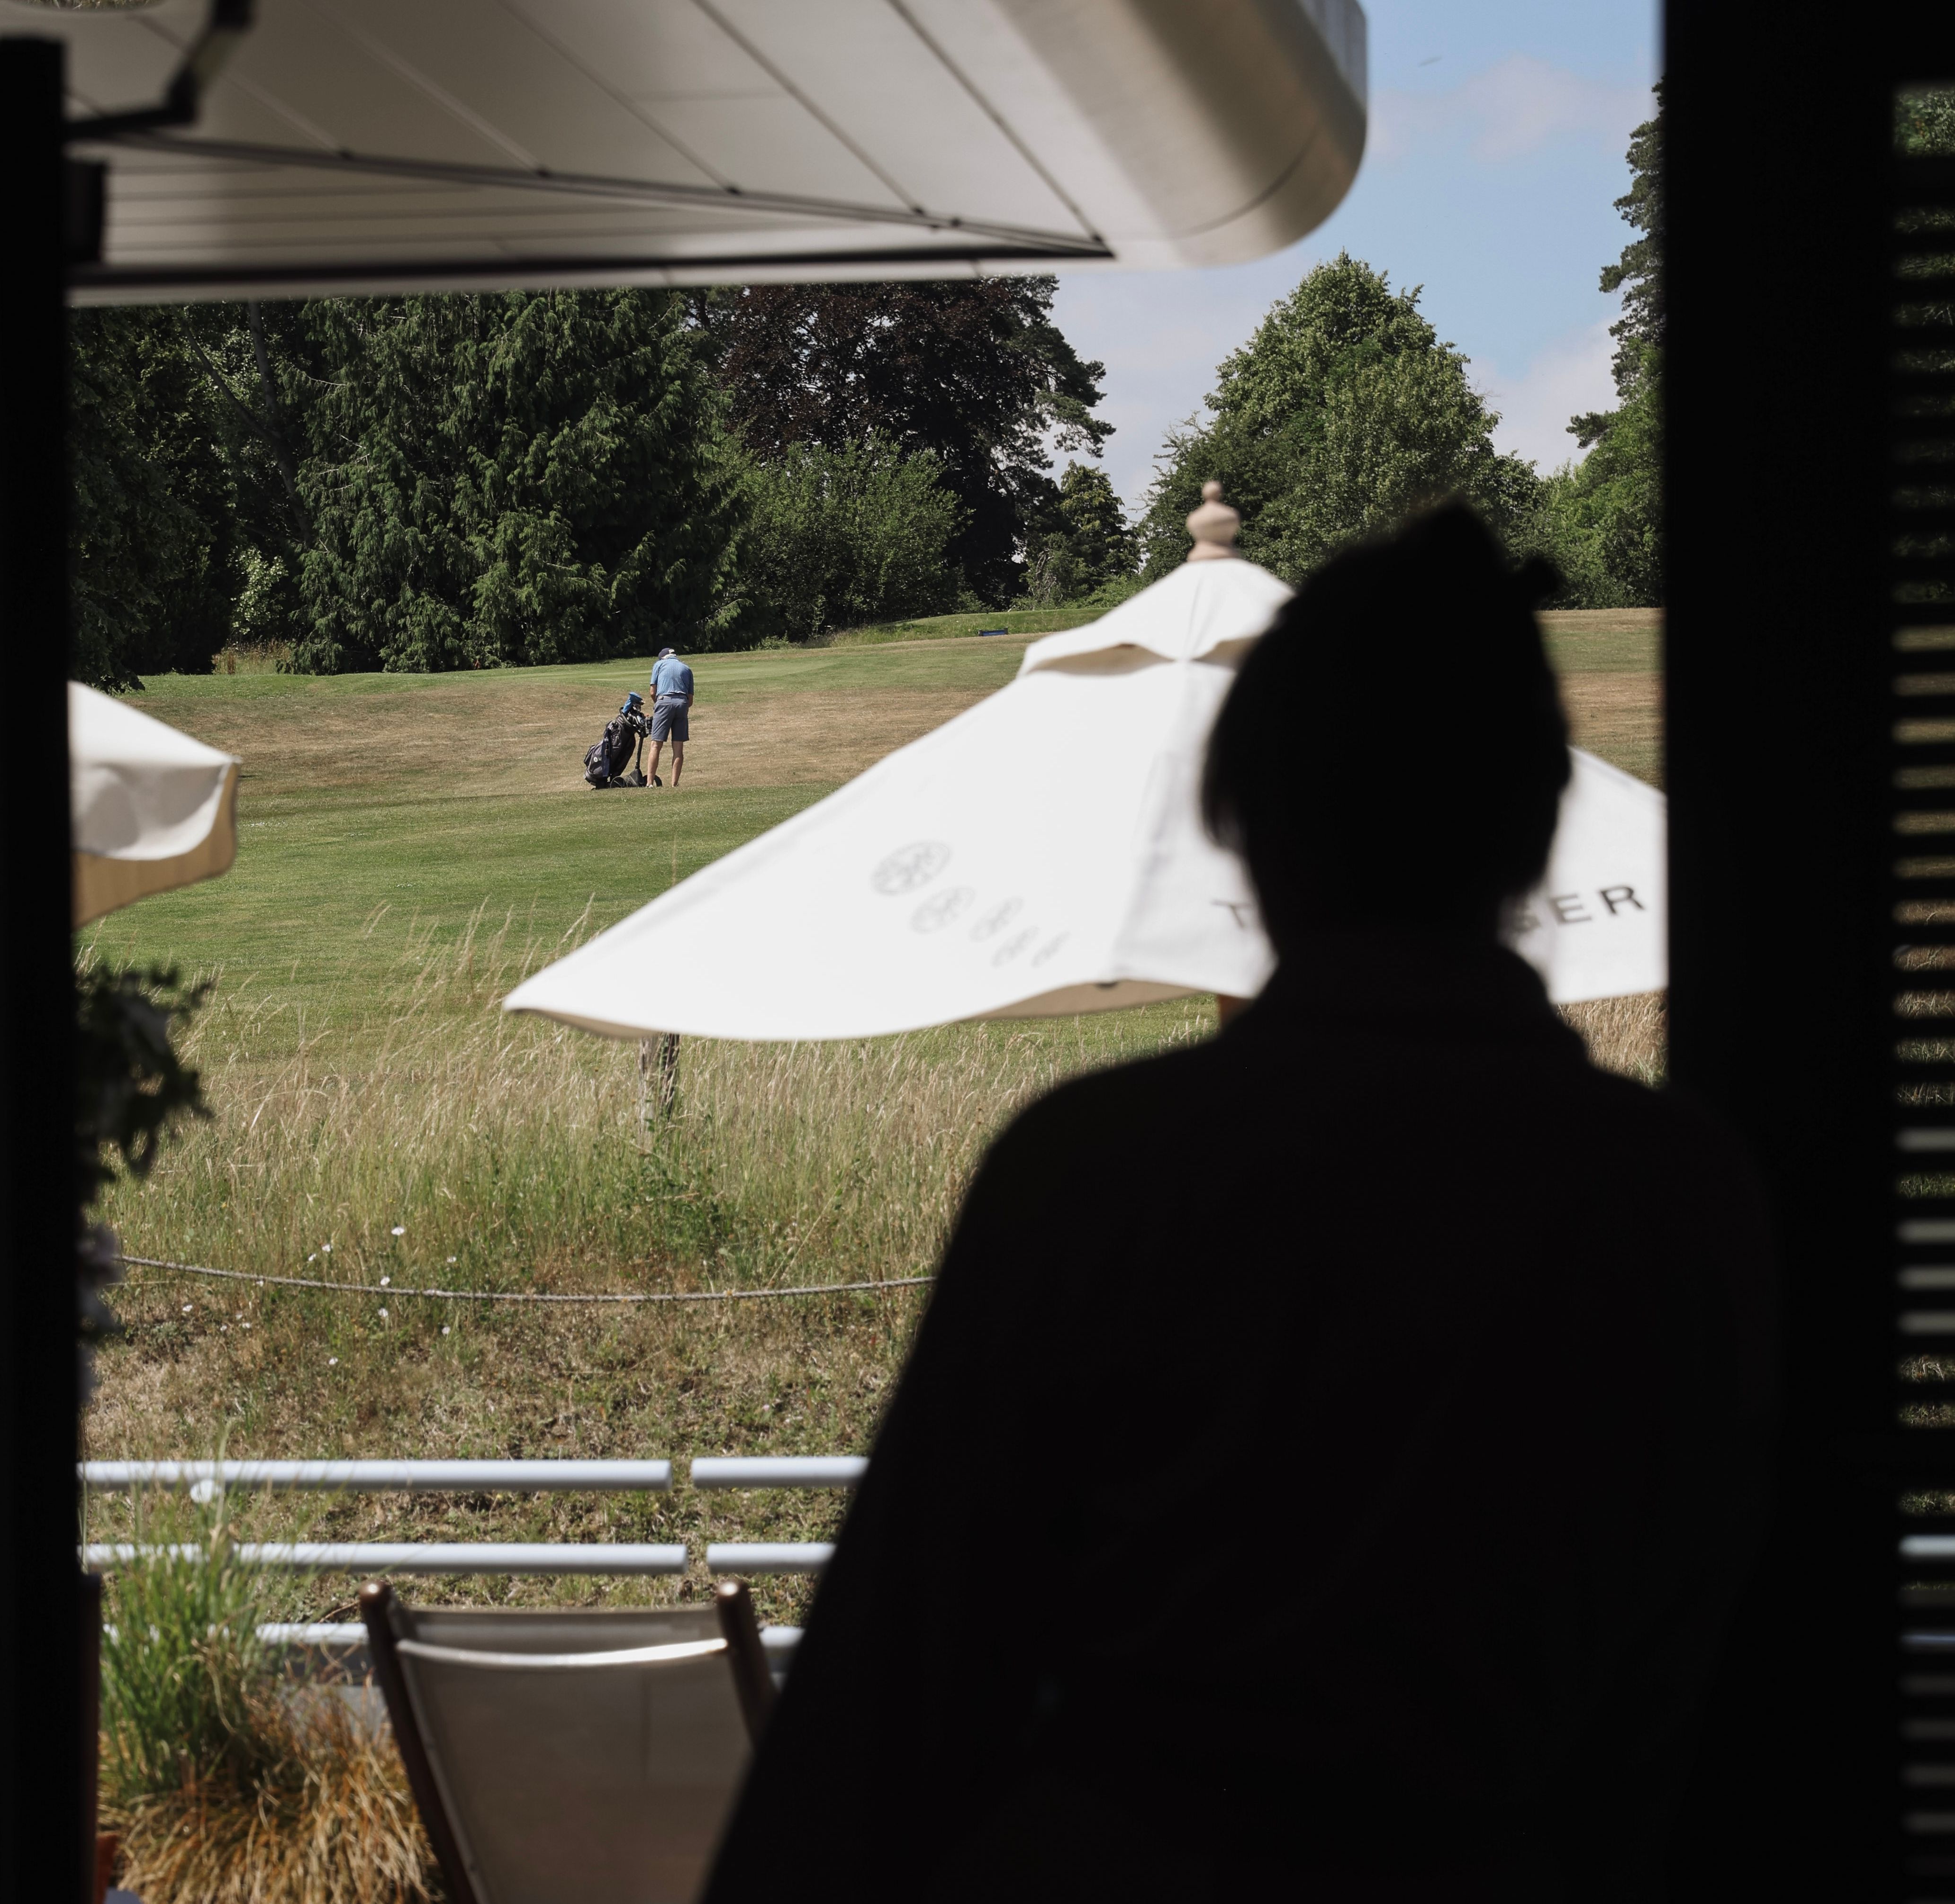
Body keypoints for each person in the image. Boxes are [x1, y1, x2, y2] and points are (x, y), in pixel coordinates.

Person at [700, 506, 1774, 1903]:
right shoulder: (1678, 1199)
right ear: (1532, 828)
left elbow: (887, 1690)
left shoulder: (1091, 1176)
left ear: (1243, 828)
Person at [648, 645, 693, 787]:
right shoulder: (687, 669)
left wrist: (659, 705)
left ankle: (650, 783)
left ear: (663, 658)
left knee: (656, 744)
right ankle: (674, 784)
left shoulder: (659, 665)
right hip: (682, 704)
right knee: (678, 747)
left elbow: (652, 692)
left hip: (664, 702)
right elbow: (690, 700)